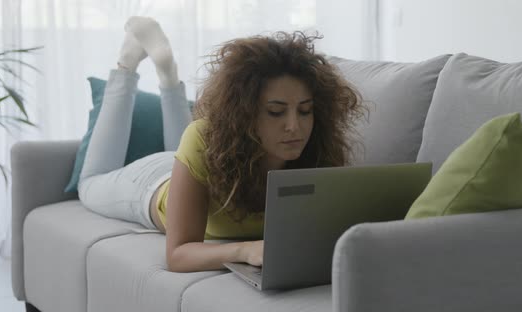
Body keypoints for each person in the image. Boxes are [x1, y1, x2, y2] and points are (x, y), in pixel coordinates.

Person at [78, 16, 365, 273]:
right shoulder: (205, 138)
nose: (295, 126)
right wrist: (246, 249)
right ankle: (126, 66)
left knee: (193, 140)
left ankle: (167, 74)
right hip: (148, 184)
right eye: (276, 112)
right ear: (245, 113)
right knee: (89, 184)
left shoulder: (319, 150)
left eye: (305, 110)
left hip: (190, 163)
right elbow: (178, 255)